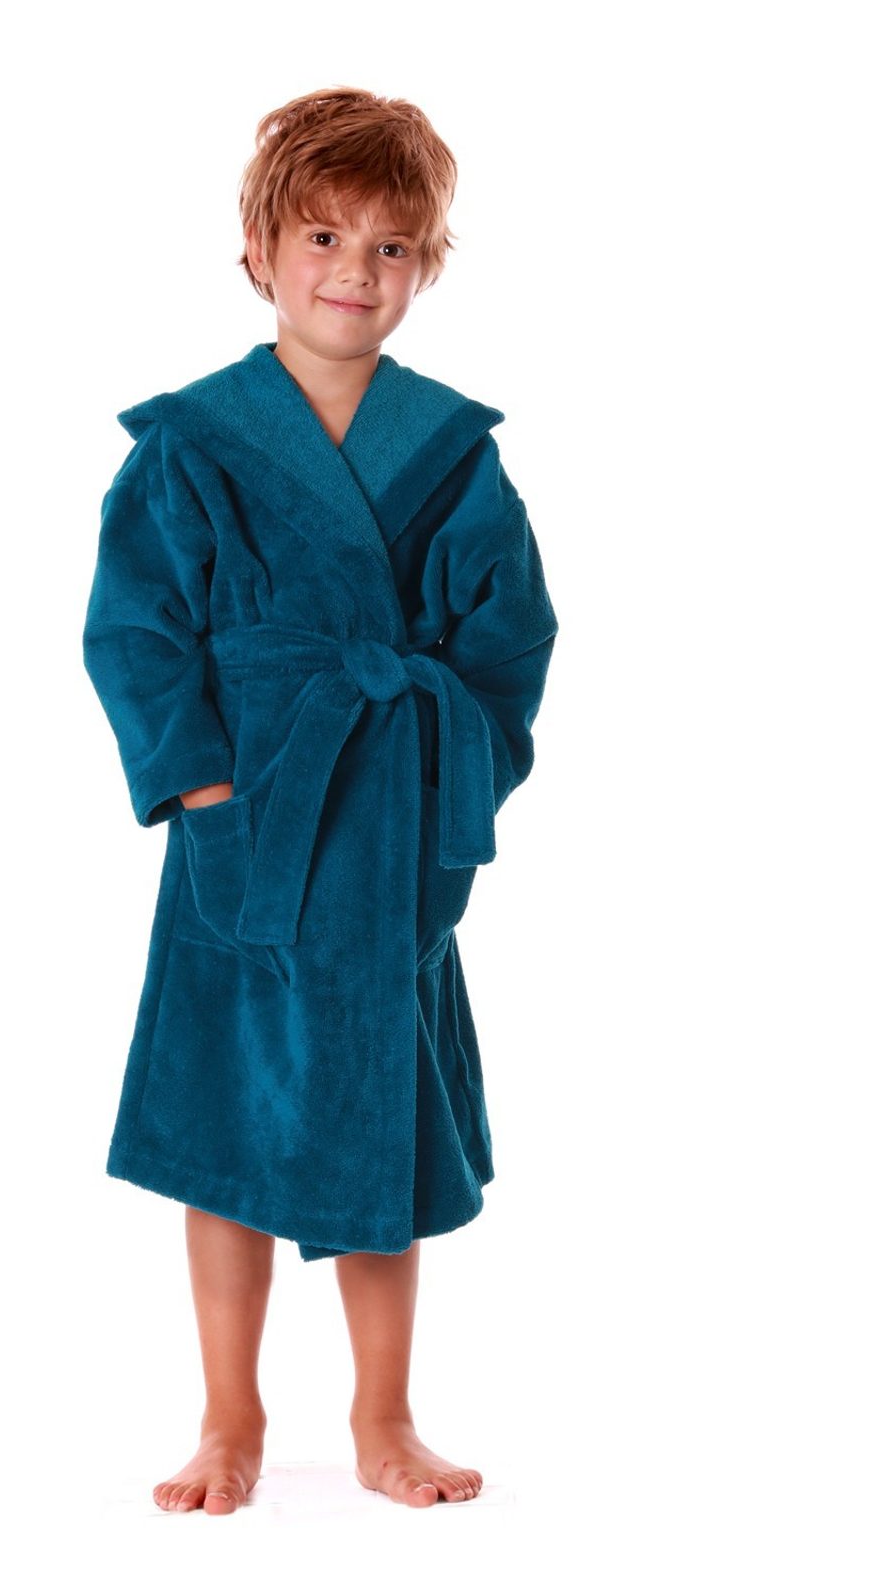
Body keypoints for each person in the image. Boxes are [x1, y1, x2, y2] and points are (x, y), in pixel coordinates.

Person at [82, 86, 559, 1514]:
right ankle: (227, 1417)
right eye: (325, 237)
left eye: (392, 247)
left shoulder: (452, 452)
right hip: (246, 819)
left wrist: (446, 765)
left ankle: (383, 1415)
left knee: (377, 1109)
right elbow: (138, 630)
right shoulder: (193, 443)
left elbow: (509, 634)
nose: (356, 270)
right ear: (258, 251)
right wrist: (204, 785)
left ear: (427, 268)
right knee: (223, 1118)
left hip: (389, 824)